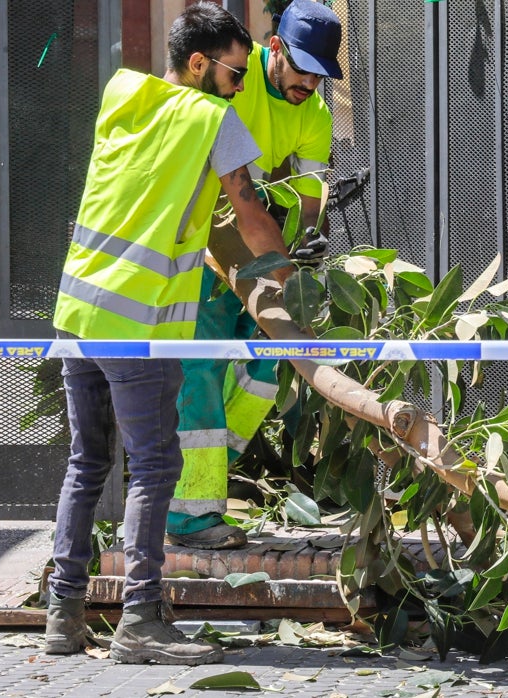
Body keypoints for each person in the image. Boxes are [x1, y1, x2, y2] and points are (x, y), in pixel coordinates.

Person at [44, 3, 291, 665]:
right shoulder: (214, 118)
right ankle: (141, 619)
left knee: (87, 463)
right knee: (155, 467)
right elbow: (247, 213)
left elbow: (155, 195)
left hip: (78, 312)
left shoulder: (123, 93)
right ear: (201, 64)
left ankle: (63, 619)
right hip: (136, 322)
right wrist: (292, 277)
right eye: (238, 74)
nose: (243, 86)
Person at [166, 0, 342, 551]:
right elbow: (230, 201)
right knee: (201, 370)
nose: (310, 85)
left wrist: (309, 239)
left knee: (266, 373)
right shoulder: (229, 90)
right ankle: (189, 515)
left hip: (262, 254)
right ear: (277, 50)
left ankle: (204, 472)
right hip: (208, 254)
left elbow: (310, 192)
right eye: (303, 69)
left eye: (321, 75)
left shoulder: (315, 114)